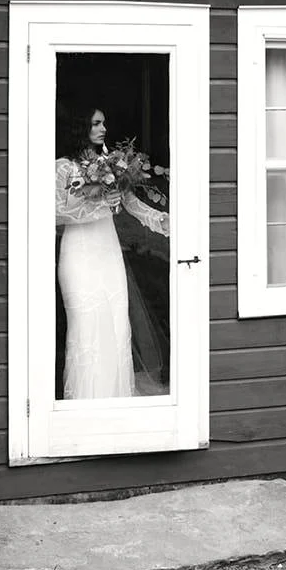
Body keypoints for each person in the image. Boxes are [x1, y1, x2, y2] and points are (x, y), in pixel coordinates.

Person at [54, 107, 169, 400]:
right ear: (80, 127)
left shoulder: (110, 163)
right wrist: (103, 204)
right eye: (96, 123)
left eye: (104, 122)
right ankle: (84, 401)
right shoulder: (63, 167)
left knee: (117, 323)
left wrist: (160, 220)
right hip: (79, 253)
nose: (103, 127)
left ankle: (116, 398)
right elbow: (56, 212)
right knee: (85, 327)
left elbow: (130, 202)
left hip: (108, 250)